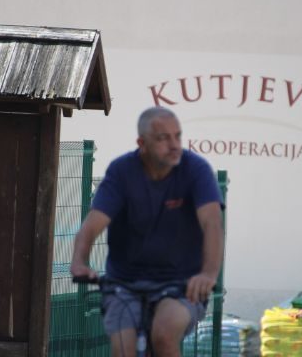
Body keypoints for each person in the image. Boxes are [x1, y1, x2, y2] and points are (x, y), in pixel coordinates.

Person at [70, 106, 224, 357]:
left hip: (181, 284)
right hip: (124, 283)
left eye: (177, 136)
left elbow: (213, 223)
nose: (174, 145)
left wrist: (208, 273)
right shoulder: (121, 172)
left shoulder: (196, 170)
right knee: (123, 348)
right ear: (142, 143)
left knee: (164, 334)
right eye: (163, 138)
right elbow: (93, 224)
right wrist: (79, 262)